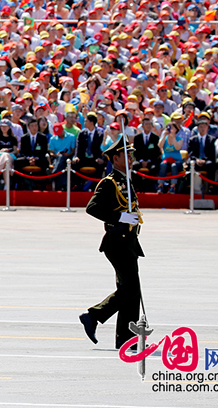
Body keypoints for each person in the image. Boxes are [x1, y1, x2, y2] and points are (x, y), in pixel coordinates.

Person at [80, 137, 144, 351]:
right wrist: (120, 218)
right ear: (115, 158)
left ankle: (126, 339)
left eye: (131, 154)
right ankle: (93, 315)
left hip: (129, 242)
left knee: (131, 290)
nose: (131, 158)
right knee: (130, 288)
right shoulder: (109, 182)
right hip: (116, 242)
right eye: (126, 155)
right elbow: (92, 208)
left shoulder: (126, 179)